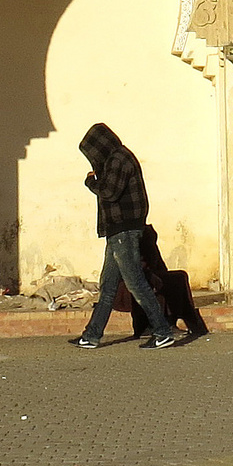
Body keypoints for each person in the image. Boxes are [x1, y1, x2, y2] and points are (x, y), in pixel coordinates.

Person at [70, 123, 179, 350]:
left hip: (124, 231)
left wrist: (91, 181)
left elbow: (109, 192)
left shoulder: (118, 160)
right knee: (108, 285)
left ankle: (162, 332)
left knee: (135, 283)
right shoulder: (117, 158)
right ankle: (91, 336)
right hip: (117, 231)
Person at [112, 224, 209, 339]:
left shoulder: (146, 236)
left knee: (178, 277)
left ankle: (187, 322)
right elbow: (133, 268)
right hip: (127, 284)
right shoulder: (126, 239)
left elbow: (157, 265)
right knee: (159, 282)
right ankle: (160, 325)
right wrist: (150, 275)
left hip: (146, 275)